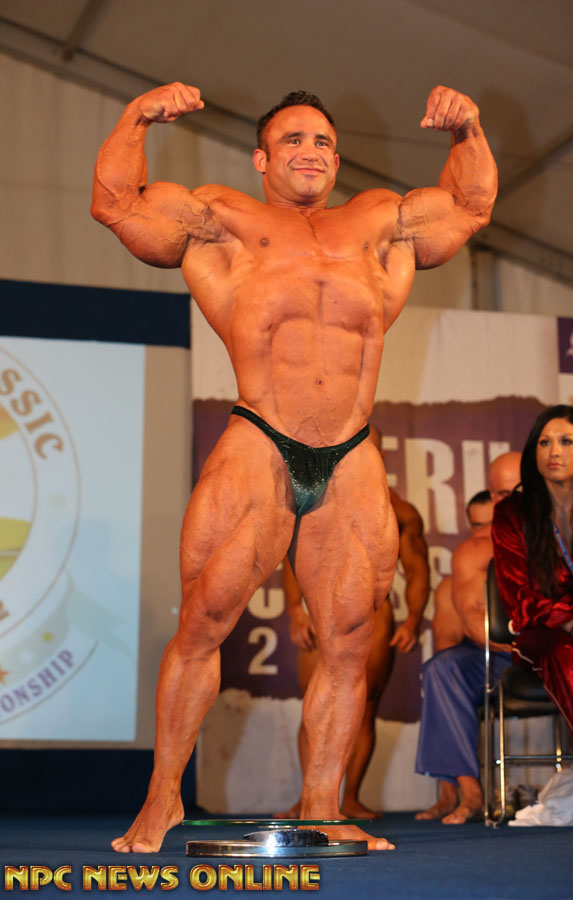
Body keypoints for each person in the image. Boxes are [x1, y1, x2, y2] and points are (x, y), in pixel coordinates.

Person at [91, 81, 497, 852]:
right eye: (293, 140)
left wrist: (467, 129)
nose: (310, 152)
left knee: (349, 642)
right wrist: (137, 116)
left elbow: (470, 206)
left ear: (337, 159)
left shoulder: (379, 221)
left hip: (351, 451)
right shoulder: (224, 220)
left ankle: (322, 806)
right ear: (261, 158)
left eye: (323, 142)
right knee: (203, 622)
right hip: (260, 436)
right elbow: (116, 204)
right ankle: (162, 798)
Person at [279, 424, 430, 819]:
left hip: (374, 614)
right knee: (314, 707)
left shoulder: (400, 511)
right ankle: (309, 799)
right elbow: (292, 558)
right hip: (321, 611)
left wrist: (414, 619)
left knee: (364, 706)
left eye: (366, 447)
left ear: (381, 455)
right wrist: (295, 610)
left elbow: (417, 569)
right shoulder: (313, 501)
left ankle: (350, 799)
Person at [493, 406, 573, 808]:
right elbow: (517, 595)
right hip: (543, 632)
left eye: (566, 441)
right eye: (544, 442)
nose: (554, 451)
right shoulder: (512, 513)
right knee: (565, 654)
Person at [415, 453, 520, 824]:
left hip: (550, 649)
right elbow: (456, 640)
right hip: (496, 658)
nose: (484, 533)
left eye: (489, 525)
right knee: (440, 671)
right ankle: (461, 790)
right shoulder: (467, 563)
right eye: (476, 526)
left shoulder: (552, 535)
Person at [432, 490, 493, 653]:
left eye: (494, 523)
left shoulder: (535, 561)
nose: (487, 532)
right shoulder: (450, 588)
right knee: (441, 664)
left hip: (533, 652)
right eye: (479, 525)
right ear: (470, 526)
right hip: (482, 655)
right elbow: (446, 646)